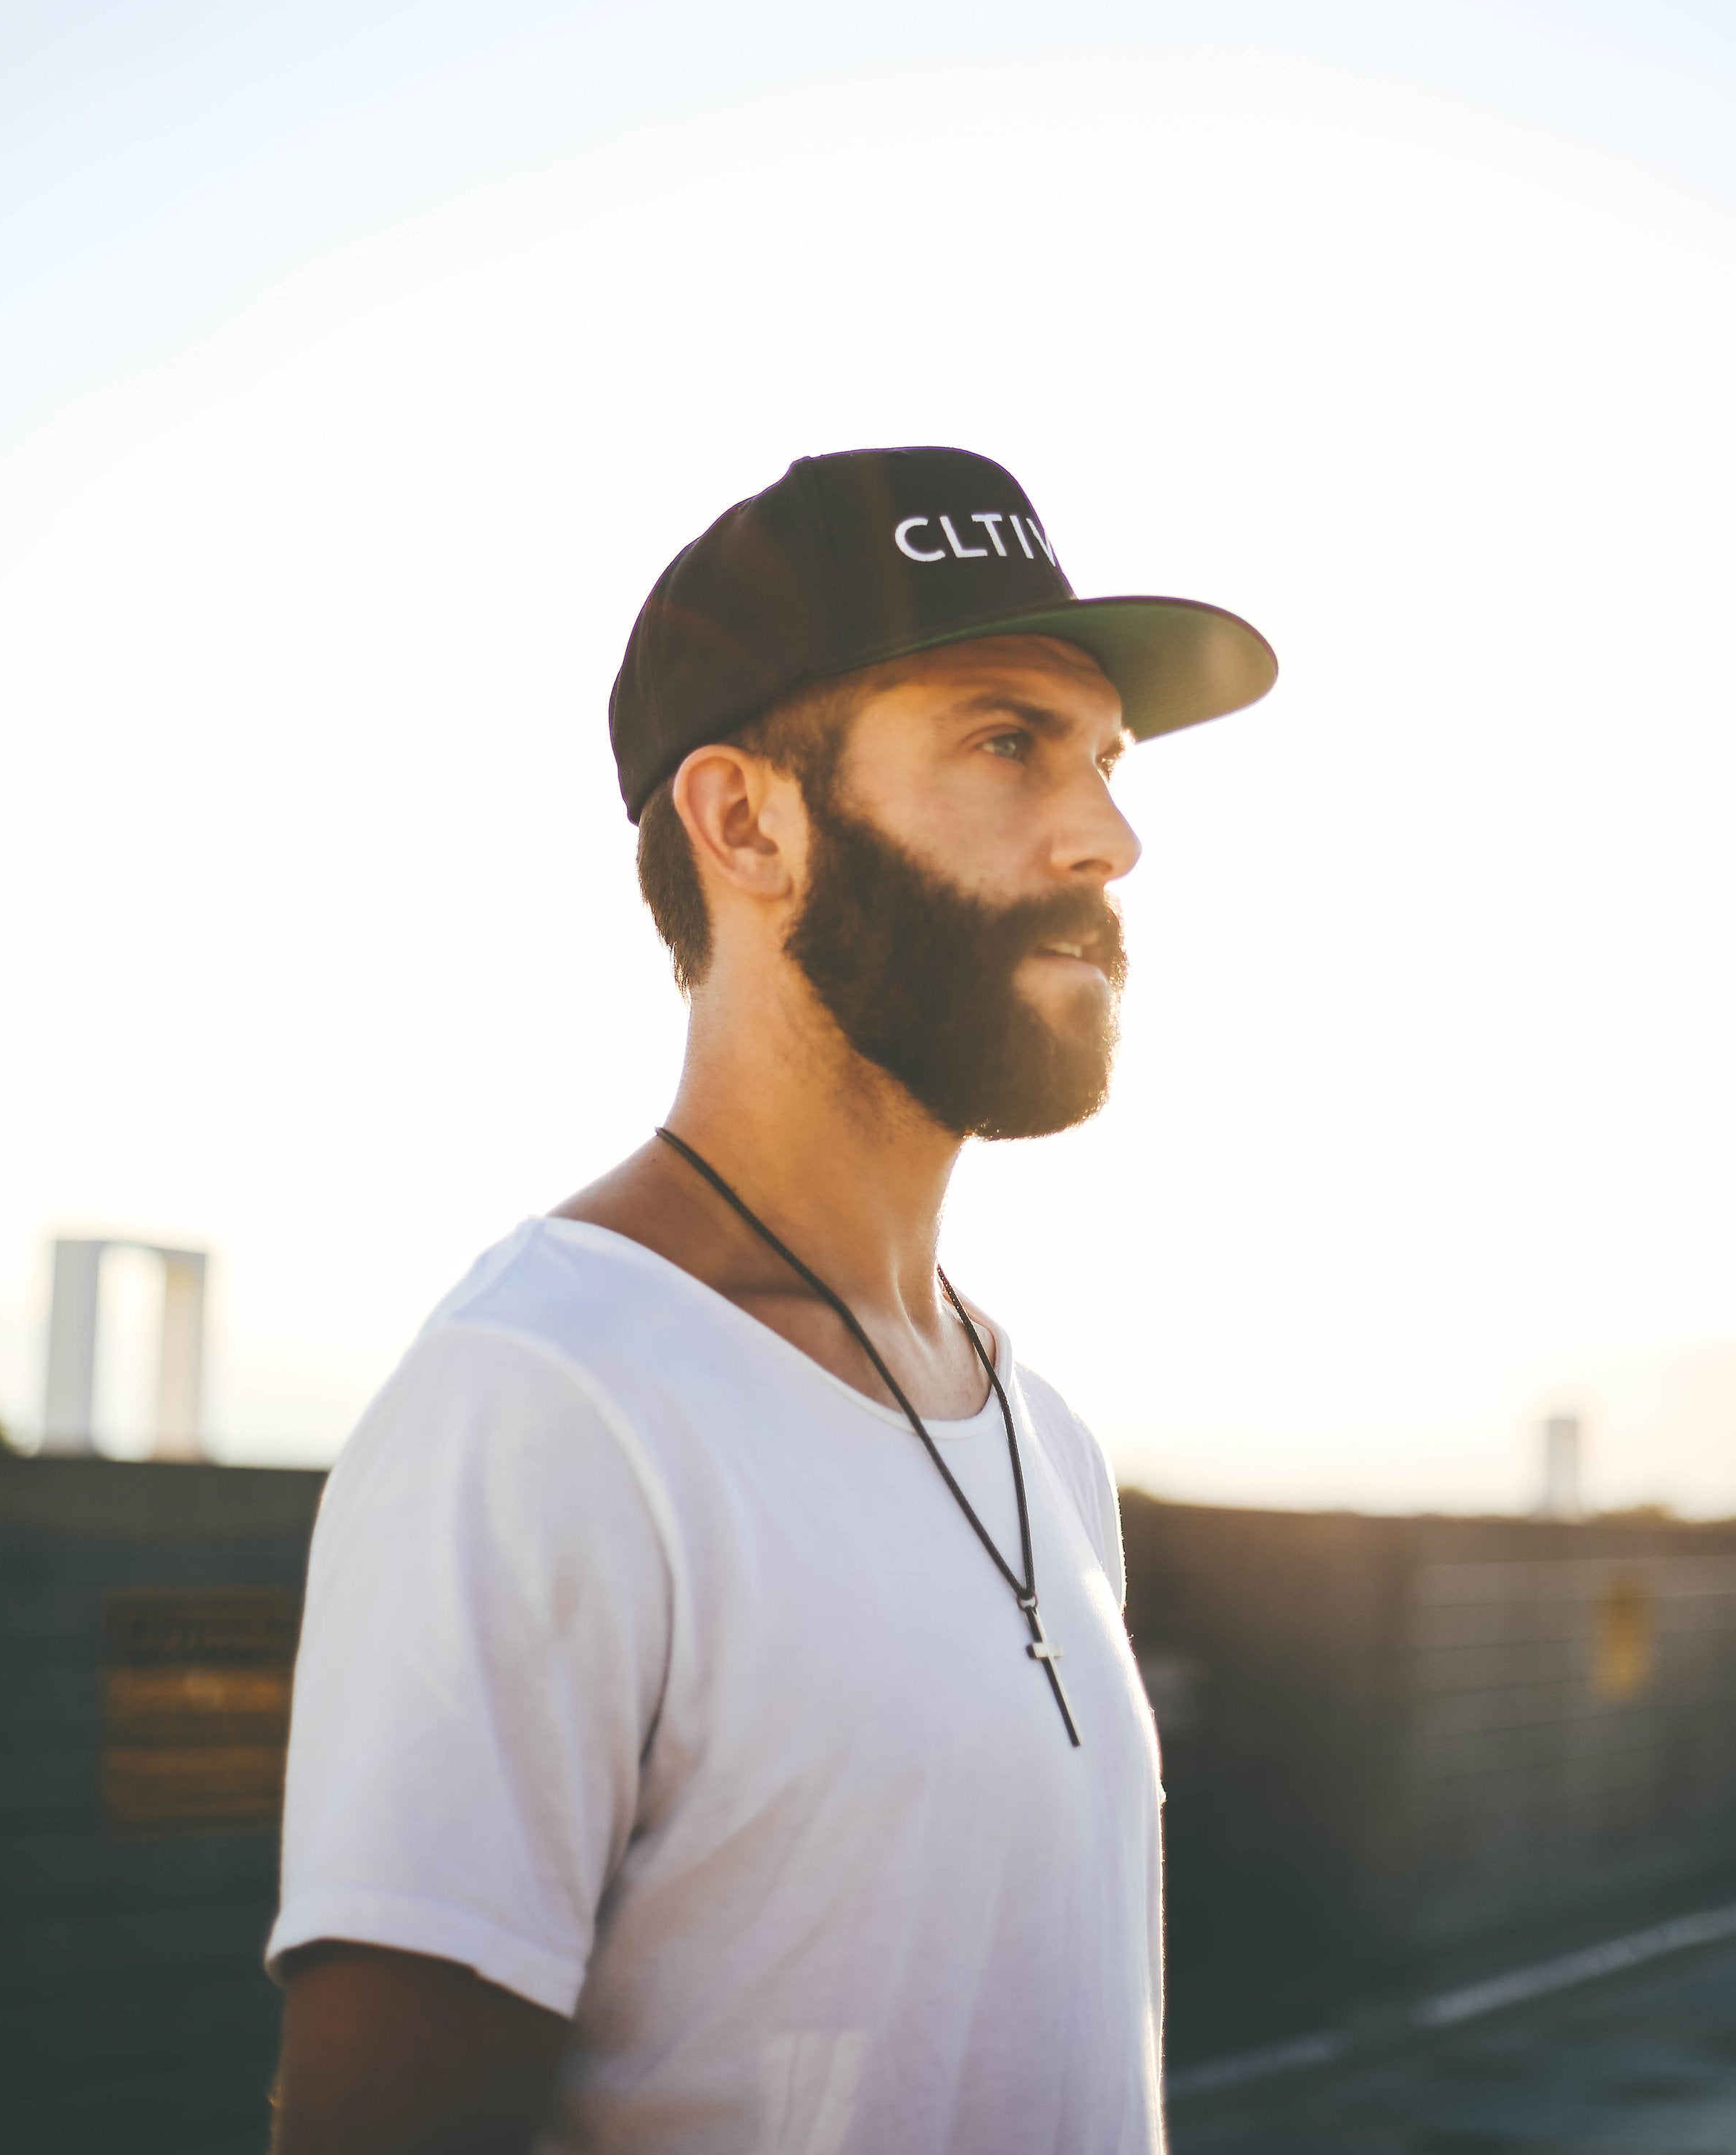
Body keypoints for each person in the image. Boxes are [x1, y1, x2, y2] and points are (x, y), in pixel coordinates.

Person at [267, 444, 1275, 2155]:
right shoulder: (546, 1403)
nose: (1110, 836)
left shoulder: (1039, 1436)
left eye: (1104, 759)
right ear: (747, 821)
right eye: (1008, 741)